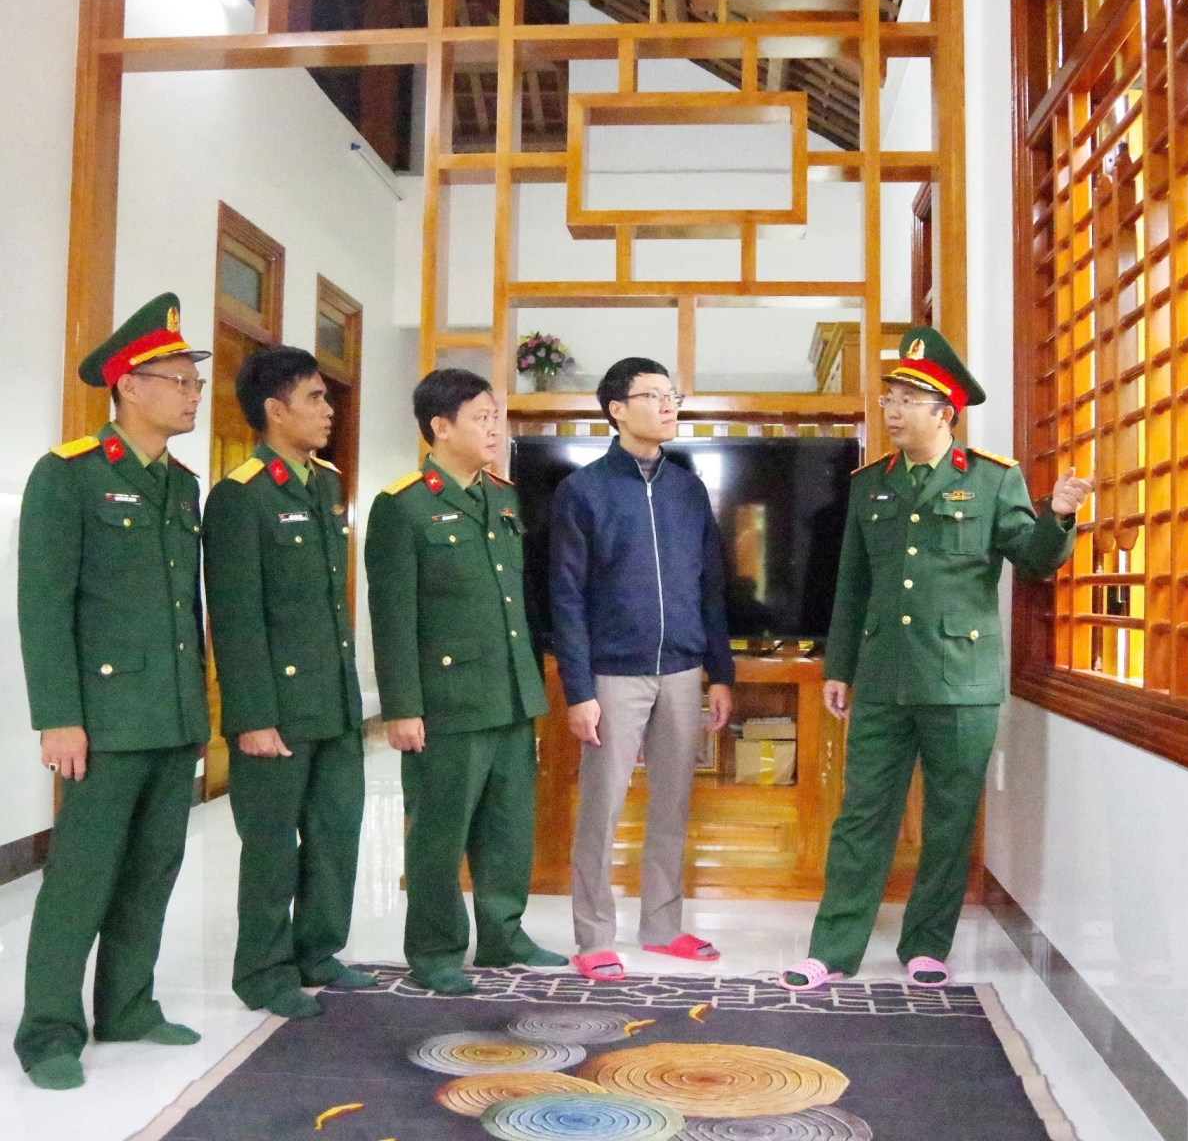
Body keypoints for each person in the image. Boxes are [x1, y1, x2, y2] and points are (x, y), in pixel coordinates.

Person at [780, 327, 1094, 992]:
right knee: (862, 817)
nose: (892, 411)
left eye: (906, 400)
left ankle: (926, 945)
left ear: (944, 411)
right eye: (889, 398)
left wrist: (1059, 516)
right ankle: (832, 949)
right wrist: (839, 666)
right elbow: (853, 585)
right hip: (883, 677)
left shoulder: (991, 479)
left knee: (949, 821)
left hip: (962, 681)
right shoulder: (870, 485)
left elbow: (1034, 559)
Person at [13, 293, 211, 1089]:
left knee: (152, 871)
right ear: (129, 385)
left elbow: (183, 608)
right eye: (179, 381)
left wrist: (197, 711)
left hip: (172, 715)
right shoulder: (69, 475)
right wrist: (59, 717)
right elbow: (43, 604)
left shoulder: (181, 485)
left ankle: (127, 1004)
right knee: (80, 880)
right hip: (103, 720)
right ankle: (48, 1031)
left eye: (195, 383)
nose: (193, 395)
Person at [364, 368, 564, 993]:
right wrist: (401, 707)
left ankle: (504, 934)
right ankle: (434, 949)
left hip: (510, 692)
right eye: (482, 418)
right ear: (440, 427)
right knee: (439, 832)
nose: (495, 429)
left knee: (508, 828)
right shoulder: (403, 506)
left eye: (497, 416)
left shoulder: (502, 497)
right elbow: (392, 617)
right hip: (446, 702)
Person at [549, 357, 734, 981]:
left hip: (682, 670)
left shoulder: (688, 489)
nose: (667, 405)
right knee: (601, 809)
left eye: (670, 395)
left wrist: (721, 672)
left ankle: (662, 927)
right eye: (652, 395)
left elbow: (711, 588)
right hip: (612, 674)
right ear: (617, 409)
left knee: (672, 806)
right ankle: (594, 936)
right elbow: (566, 597)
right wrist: (579, 690)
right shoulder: (583, 491)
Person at [202, 346, 372, 1020]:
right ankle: (264, 972)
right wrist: (251, 716)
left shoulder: (325, 484)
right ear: (275, 410)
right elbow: (235, 616)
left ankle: (316, 952)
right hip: (276, 707)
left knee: (336, 835)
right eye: (315, 399)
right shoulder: (240, 496)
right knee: (272, 847)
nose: (328, 411)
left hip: (332, 700)